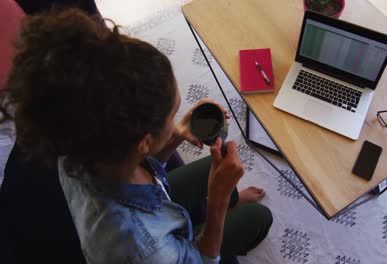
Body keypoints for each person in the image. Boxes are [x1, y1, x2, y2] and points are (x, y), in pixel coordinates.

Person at [2, 9, 272, 264]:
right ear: (144, 142)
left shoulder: (76, 140)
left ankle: (226, 203)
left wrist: (174, 136)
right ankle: (227, 210)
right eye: (172, 114)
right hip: (157, 240)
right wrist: (218, 203)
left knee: (210, 171)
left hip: (134, 200)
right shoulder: (144, 250)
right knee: (258, 217)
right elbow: (201, 259)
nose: (176, 121)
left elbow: (141, 166)